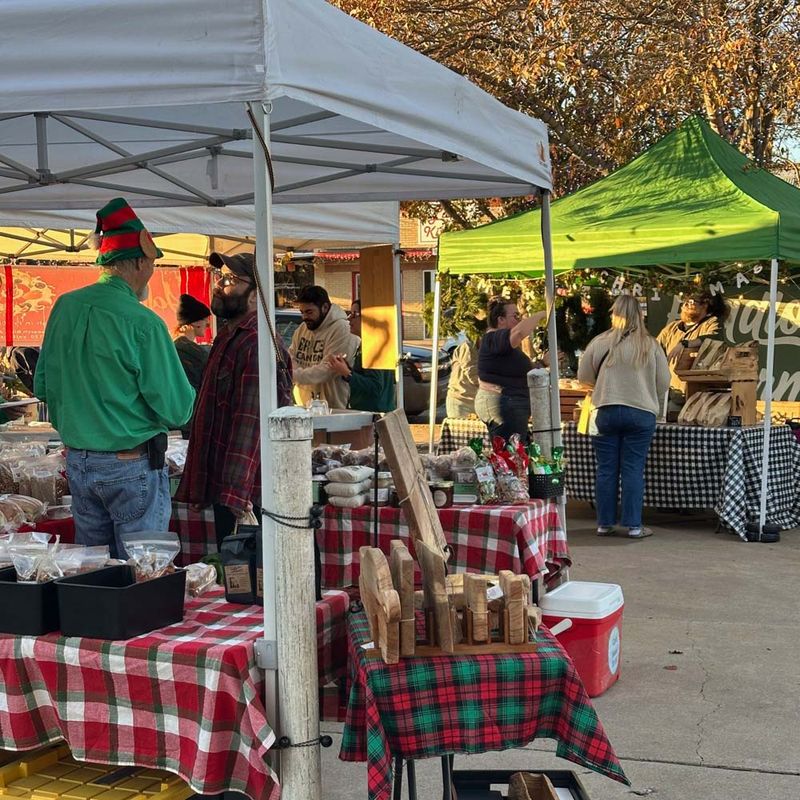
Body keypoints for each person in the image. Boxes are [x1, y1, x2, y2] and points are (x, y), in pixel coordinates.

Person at [34, 198, 195, 558]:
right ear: (139, 262)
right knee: (143, 572)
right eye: (152, 263)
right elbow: (177, 409)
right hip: (130, 463)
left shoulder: (64, 307)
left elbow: (42, 385)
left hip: (79, 462)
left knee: (93, 571)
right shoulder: (144, 323)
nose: (152, 271)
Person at [175, 251, 293, 547]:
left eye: (230, 280)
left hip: (248, 495)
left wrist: (236, 494)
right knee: (232, 567)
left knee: (247, 568)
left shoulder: (256, 342)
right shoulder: (229, 337)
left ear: (254, 295)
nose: (219, 285)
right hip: (229, 487)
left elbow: (250, 422)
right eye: (220, 277)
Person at [577, 294, 671, 540]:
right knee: (633, 468)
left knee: (606, 469)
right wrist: (646, 390)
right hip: (641, 411)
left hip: (605, 409)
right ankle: (634, 525)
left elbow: (583, 377)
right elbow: (664, 382)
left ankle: (604, 523)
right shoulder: (650, 345)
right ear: (640, 315)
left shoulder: (599, 342)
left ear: (613, 313)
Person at [474, 297, 546, 441]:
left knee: (513, 451)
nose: (519, 320)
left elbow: (519, 371)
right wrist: (542, 314)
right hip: (503, 403)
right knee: (511, 452)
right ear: (500, 320)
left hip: (508, 403)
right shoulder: (494, 338)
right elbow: (518, 333)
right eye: (515, 316)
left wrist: (542, 363)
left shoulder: (502, 345)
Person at [656, 289, 729, 419]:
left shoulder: (711, 323)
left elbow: (714, 338)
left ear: (705, 305)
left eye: (692, 302)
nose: (686, 304)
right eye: (685, 302)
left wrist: (684, 343)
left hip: (699, 397)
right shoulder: (671, 328)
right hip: (672, 393)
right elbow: (655, 349)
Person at [289, 285, 356, 410]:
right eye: (302, 312)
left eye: (309, 312)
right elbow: (290, 357)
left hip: (333, 408)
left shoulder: (342, 329)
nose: (304, 317)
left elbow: (328, 370)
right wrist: (293, 373)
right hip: (303, 406)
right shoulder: (302, 329)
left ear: (324, 307)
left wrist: (293, 375)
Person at [326, 299, 396, 413]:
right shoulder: (374, 342)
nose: (349, 318)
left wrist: (347, 373)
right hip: (374, 411)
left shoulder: (372, 346)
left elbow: (375, 387)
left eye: (354, 314)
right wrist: (346, 368)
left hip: (373, 414)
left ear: (368, 317)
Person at [173, 294, 211, 393]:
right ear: (195, 322)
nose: (208, 325)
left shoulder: (174, 345)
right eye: (206, 320)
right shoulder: (190, 350)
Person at [446, 335, 481, 418]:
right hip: (461, 402)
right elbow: (474, 375)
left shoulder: (487, 350)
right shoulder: (468, 347)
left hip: (476, 402)